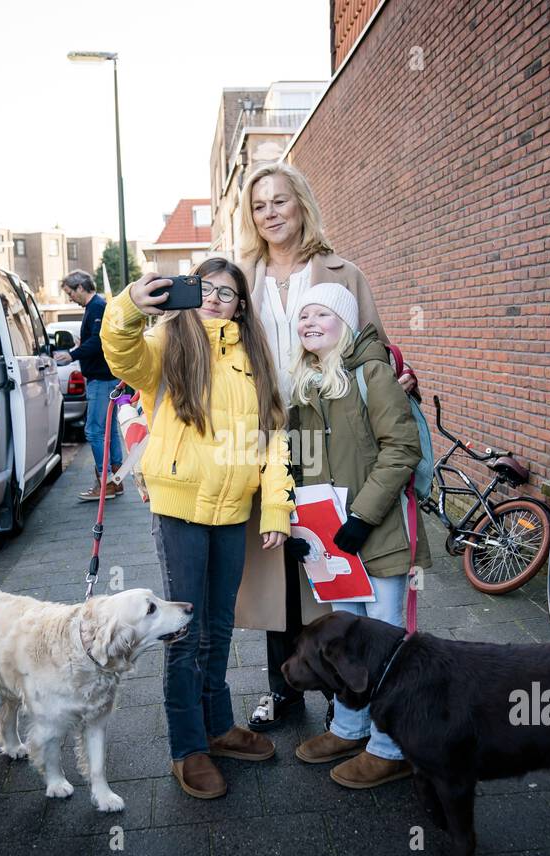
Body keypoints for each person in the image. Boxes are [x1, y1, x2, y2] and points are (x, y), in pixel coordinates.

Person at [232, 161, 417, 731]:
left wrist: (395, 382)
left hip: (328, 429)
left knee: (331, 559)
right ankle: (283, 689)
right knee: (277, 563)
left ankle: (343, 692)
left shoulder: (342, 271)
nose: (271, 213)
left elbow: (373, 348)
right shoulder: (239, 278)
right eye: (260, 205)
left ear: (301, 204)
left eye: (280, 201)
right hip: (266, 434)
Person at [100, 258, 294, 800]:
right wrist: (130, 306)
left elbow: (273, 440)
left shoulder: (256, 358)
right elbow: (121, 352)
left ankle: (218, 726)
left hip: (233, 512)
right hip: (179, 508)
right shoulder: (167, 344)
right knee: (184, 632)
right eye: (205, 289)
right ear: (191, 294)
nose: (213, 299)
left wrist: (275, 509)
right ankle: (188, 749)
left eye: (227, 294)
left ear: (241, 305)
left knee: (220, 627)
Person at [287, 283, 431, 788]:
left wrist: (363, 517)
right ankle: (351, 727)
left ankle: (391, 748)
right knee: (346, 641)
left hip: (381, 532)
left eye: (320, 313)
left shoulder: (372, 373)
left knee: (386, 644)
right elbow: (300, 465)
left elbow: (400, 450)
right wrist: (299, 526)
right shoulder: (304, 386)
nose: (308, 322)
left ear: (343, 322)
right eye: (301, 315)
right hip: (332, 544)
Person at [58, 270, 125, 501]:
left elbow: (98, 341)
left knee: (94, 430)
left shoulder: (96, 307)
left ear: (80, 288)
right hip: (108, 377)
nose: (69, 298)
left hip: (101, 379)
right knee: (109, 430)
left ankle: (104, 483)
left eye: (69, 293)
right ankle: (116, 480)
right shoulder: (96, 307)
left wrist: (72, 354)